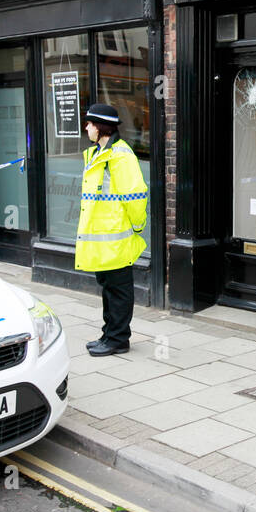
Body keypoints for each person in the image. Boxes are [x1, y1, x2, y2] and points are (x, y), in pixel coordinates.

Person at [75, 103, 148, 356]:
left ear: (100, 127)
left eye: (89, 123)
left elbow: (136, 195)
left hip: (116, 238)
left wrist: (138, 225)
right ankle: (109, 334)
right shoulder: (98, 153)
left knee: (118, 290)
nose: (86, 128)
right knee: (108, 289)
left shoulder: (120, 155)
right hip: (101, 240)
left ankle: (118, 339)